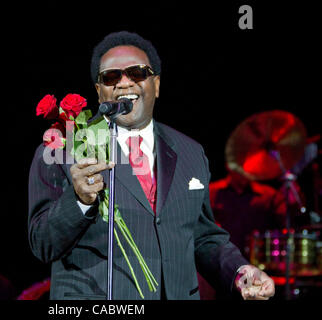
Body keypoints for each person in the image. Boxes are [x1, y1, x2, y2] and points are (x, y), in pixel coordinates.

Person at [28, 31, 275, 300]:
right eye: (111, 77)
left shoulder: (191, 152)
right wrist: (79, 201)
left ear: (156, 84)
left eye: (137, 73)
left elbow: (202, 236)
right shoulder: (63, 149)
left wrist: (239, 272)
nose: (124, 83)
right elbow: (42, 244)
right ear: (99, 91)